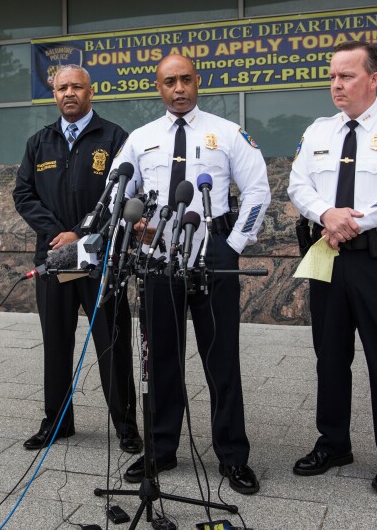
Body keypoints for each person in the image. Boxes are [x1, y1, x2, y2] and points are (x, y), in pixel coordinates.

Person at [110, 54, 271, 495]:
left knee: (221, 359)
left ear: (198, 81)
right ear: (157, 87)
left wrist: (234, 244)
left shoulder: (228, 132)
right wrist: (133, 225)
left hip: (213, 257)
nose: (178, 88)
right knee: (161, 358)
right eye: (168, 82)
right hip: (159, 259)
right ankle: (160, 449)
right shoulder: (141, 139)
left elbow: (258, 189)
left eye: (185, 79)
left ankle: (233, 457)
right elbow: (117, 192)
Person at [287, 41, 377, 495]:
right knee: (330, 357)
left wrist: (352, 220)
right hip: (327, 256)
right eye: (332, 76)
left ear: (374, 78)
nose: (336, 84)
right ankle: (333, 443)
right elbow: (297, 183)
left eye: (346, 76)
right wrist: (326, 215)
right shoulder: (317, 132)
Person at [13, 64, 143, 454]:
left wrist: (82, 234)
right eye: (61, 88)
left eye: (76, 87)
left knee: (111, 342)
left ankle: (125, 425)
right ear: (54, 94)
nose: (68, 93)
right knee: (55, 343)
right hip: (53, 259)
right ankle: (57, 422)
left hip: (100, 259)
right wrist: (59, 233)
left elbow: (124, 195)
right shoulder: (40, 142)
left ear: (90, 92)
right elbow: (23, 194)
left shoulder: (115, 137)